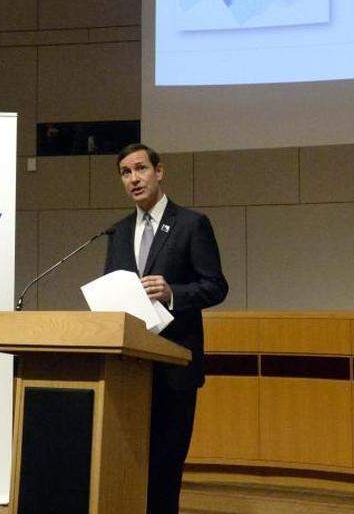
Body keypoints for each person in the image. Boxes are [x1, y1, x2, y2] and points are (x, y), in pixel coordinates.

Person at [103, 143, 228, 514]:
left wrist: (174, 292)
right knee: (130, 467)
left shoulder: (191, 224)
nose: (134, 179)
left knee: (164, 469)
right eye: (126, 173)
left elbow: (216, 286)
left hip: (174, 368)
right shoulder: (119, 231)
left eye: (140, 169)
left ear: (159, 171)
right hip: (130, 370)